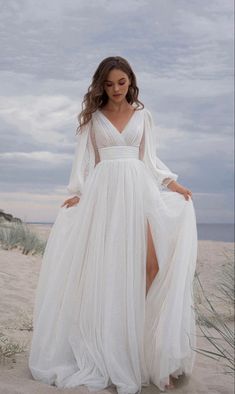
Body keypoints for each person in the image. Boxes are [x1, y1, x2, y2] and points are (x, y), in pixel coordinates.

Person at [28, 56, 198, 393]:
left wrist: (172, 184)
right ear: (100, 86)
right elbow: (85, 161)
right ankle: (111, 349)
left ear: (130, 81)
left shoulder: (143, 116)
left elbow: (149, 159)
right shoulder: (93, 119)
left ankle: (147, 353)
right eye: (109, 84)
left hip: (139, 191)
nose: (116, 89)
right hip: (104, 196)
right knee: (108, 273)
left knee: (151, 267)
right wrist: (78, 193)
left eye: (121, 82)